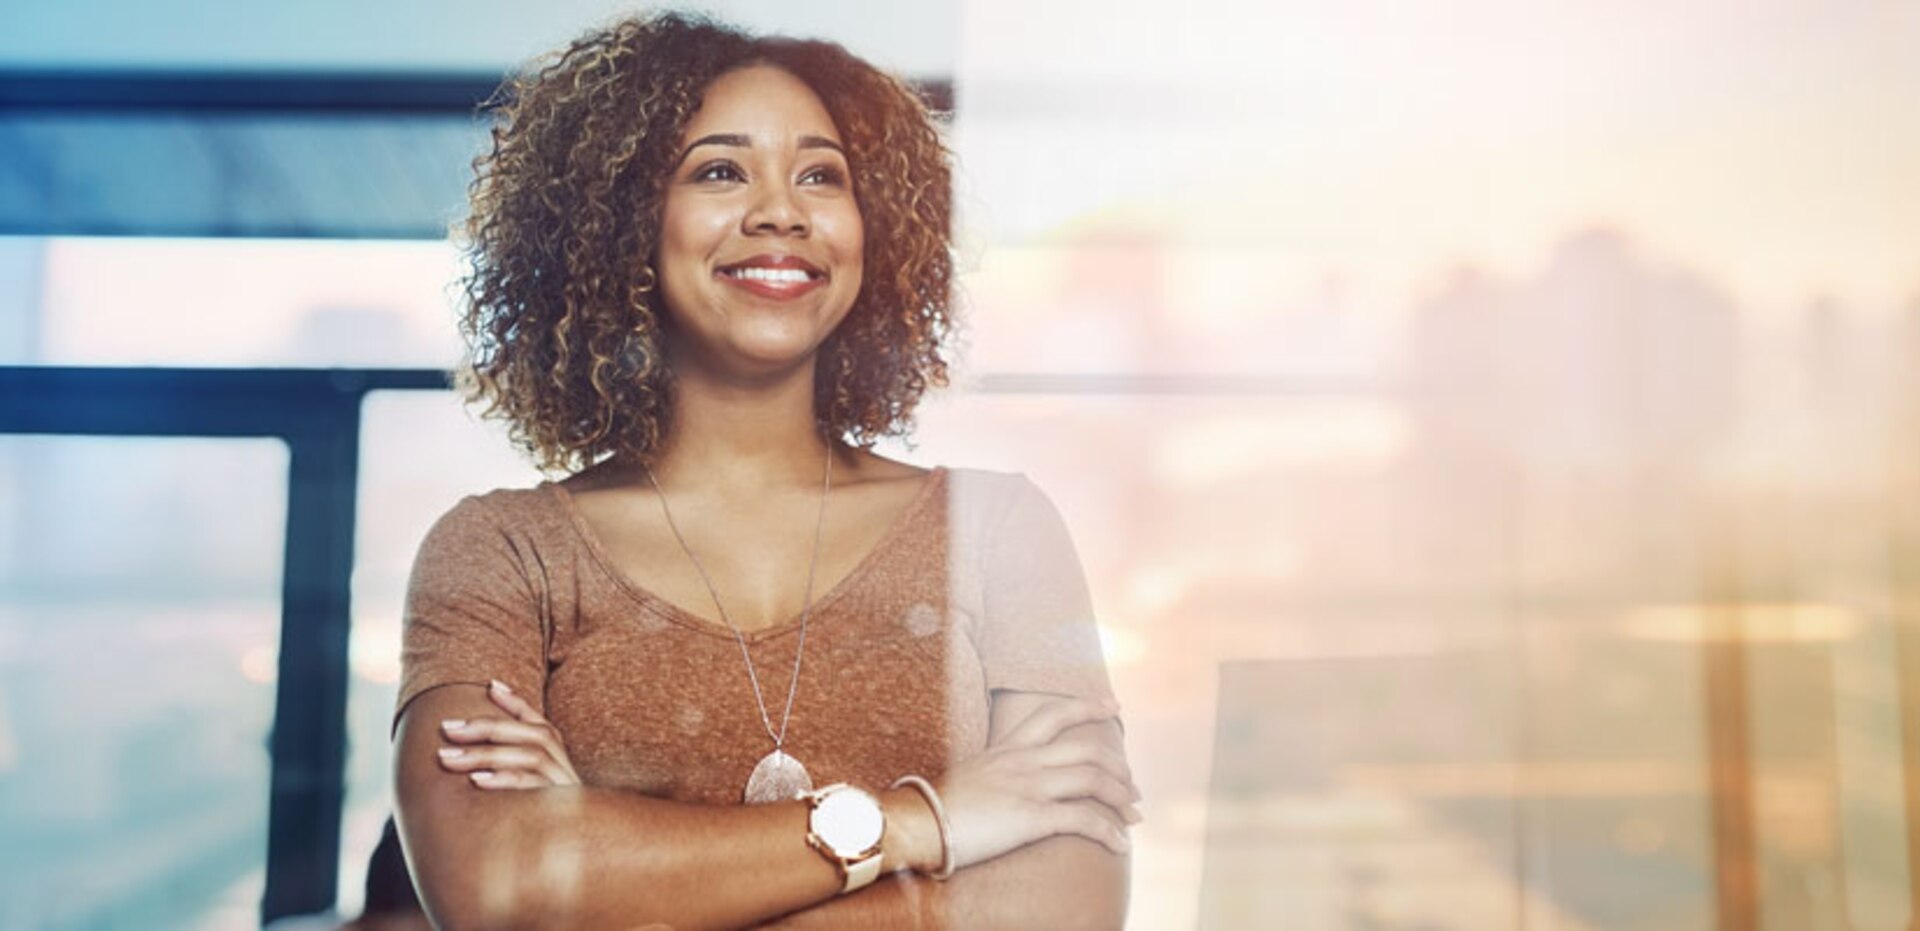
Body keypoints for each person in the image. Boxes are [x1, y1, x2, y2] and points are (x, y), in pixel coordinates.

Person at [391, 12, 1137, 929]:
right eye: (719, 170)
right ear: (623, 219)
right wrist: (926, 824)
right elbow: (495, 883)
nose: (781, 211)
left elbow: (1062, 913)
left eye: (822, 175)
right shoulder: (503, 552)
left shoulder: (1000, 533)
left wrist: (609, 862)